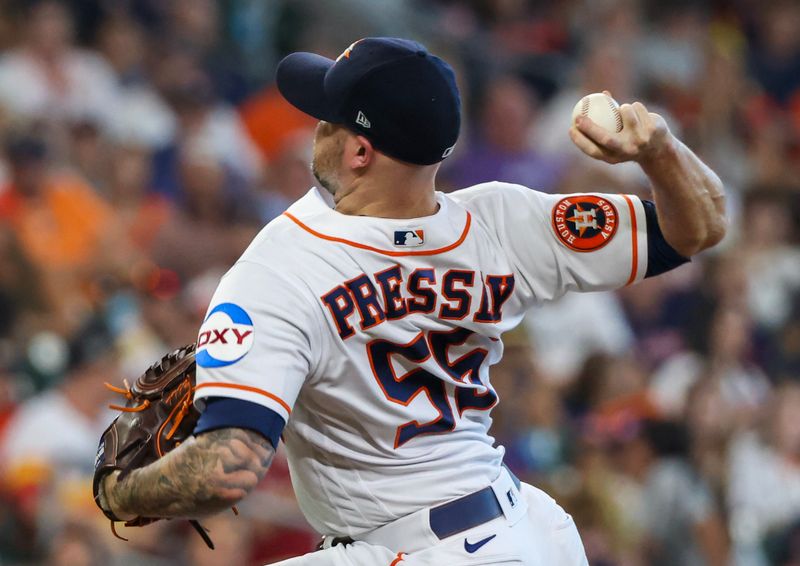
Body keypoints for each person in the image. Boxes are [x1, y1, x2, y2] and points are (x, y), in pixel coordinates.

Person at [96, 37, 726, 564]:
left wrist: (120, 495)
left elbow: (226, 470)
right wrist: (658, 150)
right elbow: (700, 226)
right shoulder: (503, 221)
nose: (315, 125)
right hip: (521, 531)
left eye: (327, 117)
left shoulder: (280, 265)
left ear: (359, 150)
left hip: (409, 548)